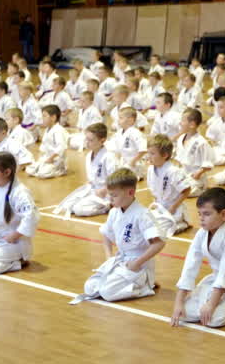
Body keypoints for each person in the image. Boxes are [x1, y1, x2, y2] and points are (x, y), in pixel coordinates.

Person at [170, 187, 225, 328]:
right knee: (185, 314)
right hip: (218, 281)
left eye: (206, 214)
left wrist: (211, 304)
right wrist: (178, 303)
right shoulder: (202, 233)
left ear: (223, 214)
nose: (201, 218)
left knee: (213, 319)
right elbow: (190, 266)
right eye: (199, 214)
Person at [74, 168, 166, 303]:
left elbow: (159, 243)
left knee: (107, 292)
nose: (110, 199)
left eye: (114, 195)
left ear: (130, 192)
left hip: (138, 264)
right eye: (109, 195)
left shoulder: (143, 214)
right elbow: (106, 234)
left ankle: (145, 284)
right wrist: (108, 257)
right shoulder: (114, 212)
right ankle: (138, 281)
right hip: (121, 260)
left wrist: (137, 263)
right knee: (90, 287)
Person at [52, 123, 117, 218]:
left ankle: (107, 206)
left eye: (91, 140)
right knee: (68, 205)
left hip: (105, 194)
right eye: (86, 139)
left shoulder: (109, 157)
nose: (87, 143)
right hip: (92, 190)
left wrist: (105, 189)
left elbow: (116, 180)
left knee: (79, 210)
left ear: (102, 140)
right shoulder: (88, 156)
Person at [144, 134, 192, 237]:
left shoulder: (173, 171)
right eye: (148, 153)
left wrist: (174, 207)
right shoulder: (150, 170)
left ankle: (181, 223)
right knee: (143, 222)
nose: (149, 156)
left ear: (164, 155)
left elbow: (187, 190)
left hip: (173, 208)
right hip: (160, 206)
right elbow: (155, 192)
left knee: (160, 230)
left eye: (152, 153)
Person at [173, 108, 213, 196]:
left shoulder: (201, 142)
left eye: (183, 120)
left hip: (196, 177)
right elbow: (179, 160)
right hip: (183, 175)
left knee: (185, 192)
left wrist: (199, 173)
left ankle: (202, 188)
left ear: (192, 124)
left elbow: (208, 165)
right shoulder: (181, 138)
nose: (180, 123)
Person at [26, 105, 69, 179]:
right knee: (29, 170)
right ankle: (43, 168)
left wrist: (51, 158)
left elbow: (61, 147)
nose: (42, 119)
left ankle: (61, 170)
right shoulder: (47, 129)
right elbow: (44, 147)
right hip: (47, 157)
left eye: (44, 116)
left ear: (53, 117)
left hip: (56, 159)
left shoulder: (59, 130)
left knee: (43, 173)